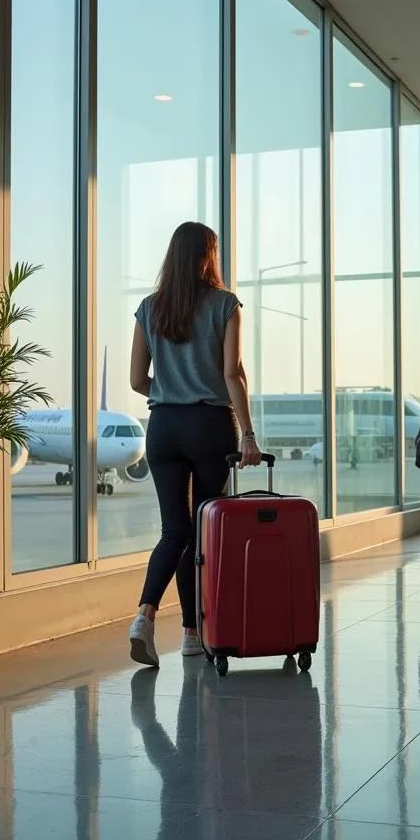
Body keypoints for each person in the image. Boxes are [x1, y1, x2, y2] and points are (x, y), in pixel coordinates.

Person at [127, 221, 261, 667]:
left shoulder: (149, 308)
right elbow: (232, 374)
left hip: (163, 427)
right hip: (209, 425)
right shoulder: (225, 305)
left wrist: (170, 392)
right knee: (201, 532)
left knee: (174, 531)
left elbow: (135, 381)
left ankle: (145, 616)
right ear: (209, 256)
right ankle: (190, 632)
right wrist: (248, 434)